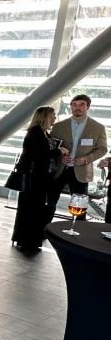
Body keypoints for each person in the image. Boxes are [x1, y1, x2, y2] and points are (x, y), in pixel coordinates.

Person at [12, 107, 69, 252]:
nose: (55, 118)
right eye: (53, 115)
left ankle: (31, 239)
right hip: (34, 179)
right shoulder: (34, 133)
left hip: (43, 178)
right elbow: (37, 155)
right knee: (30, 209)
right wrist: (59, 151)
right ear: (45, 117)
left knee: (36, 209)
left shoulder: (45, 134)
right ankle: (26, 240)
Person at [47, 94, 107, 218]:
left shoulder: (98, 128)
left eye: (81, 105)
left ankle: (77, 235)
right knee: (49, 203)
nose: (77, 108)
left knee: (79, 210)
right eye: (74, 105)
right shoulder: (58, 126)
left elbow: (102, 149)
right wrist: (60, 157)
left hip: (81, 172)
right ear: (71, 107)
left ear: (88, 107)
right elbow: (50, 147)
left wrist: (86, 159)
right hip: (60, 170)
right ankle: (42, 232)